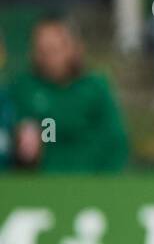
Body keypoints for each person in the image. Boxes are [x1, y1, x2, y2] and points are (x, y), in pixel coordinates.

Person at [8, 19, 129, 174]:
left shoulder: (95, 88)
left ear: (73, 49)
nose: (47, 58)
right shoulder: (23, 88)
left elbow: (116, 143)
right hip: (41, 186)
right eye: (41, 51)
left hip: (90, 184)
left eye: (53, 50)